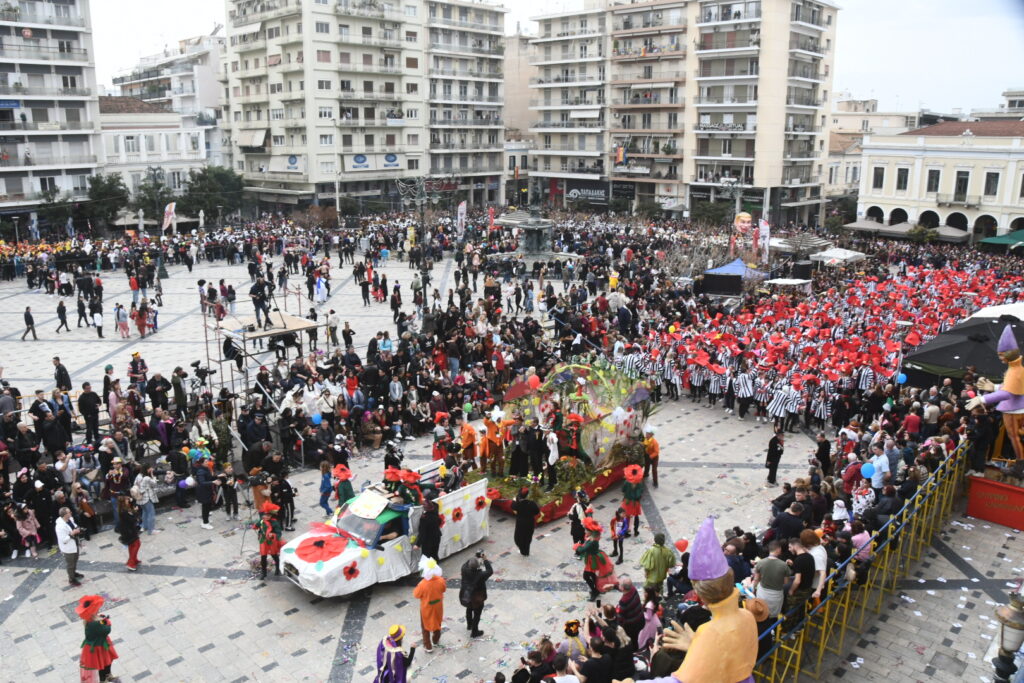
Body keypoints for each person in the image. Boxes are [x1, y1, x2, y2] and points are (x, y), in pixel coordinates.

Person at [77, 595, 119, 683]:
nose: (98, 609)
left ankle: (107, 676)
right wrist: (107, 621)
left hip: (99, 644)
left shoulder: (90, 620)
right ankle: (103, 680)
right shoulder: (95, 623)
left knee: (107, 662)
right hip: (99, 647)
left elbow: (100, 624)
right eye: (96, 608)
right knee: (104, 664)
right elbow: (107, 629)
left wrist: (102, 619)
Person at [412, 557, 446, 652]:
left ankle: (428, 646)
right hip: (438, 606)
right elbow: (443, 589)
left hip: (426, 607)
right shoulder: (440, 580)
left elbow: (416, 594)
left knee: (425, 626)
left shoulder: (422, 584)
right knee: (437, 622)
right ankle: (435, 640)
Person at [750, 540, 790, 618]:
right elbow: (786, 582)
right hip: (776, 595)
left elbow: (756, 579)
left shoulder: (760, 563)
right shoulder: (784, 565)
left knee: (762, 613)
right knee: (773, 616)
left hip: (762, 593)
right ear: (778, 549)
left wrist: (754, 589)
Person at [459, 551, 493, 638]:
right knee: (477, 614)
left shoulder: (464, 570)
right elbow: (490, 571)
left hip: (466, 595)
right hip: (477, 598)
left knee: (469, 609)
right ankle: (474, 631)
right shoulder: (481, 575)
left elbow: (466, 563)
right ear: (478, 566)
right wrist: (485, 559)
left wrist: (474, 557)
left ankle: (469, 625)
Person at [55, 506, 84, 586]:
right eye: (69, 512)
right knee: (70, 564)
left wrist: (77, 529)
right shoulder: (60, 526)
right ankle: (71, 579)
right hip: (68, 548)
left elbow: (74, 526)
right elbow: (64, 540)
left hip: (74, 544)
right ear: (65, 515)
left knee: (75, 560)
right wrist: (72, 533)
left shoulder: (70, 519)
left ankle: (74, 573)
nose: (71, 513)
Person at [255, 501, 284, 579]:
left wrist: (273, 535)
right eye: (265, 515)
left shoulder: (275, 523)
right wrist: (254, 526)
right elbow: (257, 525)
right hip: (263, 541)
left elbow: (279, 533)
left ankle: (278, 568)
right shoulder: (261, 521)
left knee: (274, 555)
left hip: (272, 542)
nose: (267, 517)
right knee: (263, 557)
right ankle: (263, 573)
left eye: (269, 515)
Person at [511, 486, 540, 556]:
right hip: (529, 522)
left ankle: (522, 549)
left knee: (519, 537)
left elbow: (512, 506)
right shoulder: (531, 503)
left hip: (520, 523)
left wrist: (514, 500)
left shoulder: (517, 503)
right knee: (527, 537)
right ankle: (526, 551)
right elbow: (537, 511)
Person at [116, 495, 141, 571]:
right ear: (123, 502)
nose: (128, 500)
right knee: (137, 544)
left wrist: (132, 503)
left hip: (129, 530)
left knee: (132, 545)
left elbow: (132, 502)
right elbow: (132, 520)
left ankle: (134, 559)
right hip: (128, 531)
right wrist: (136, 512)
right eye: (126, 500)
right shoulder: (124, 512)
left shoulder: (125, 508)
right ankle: (131, 563)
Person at [620, 464, 644, 537]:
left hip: (627, 501)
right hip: (635, 503)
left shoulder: (627, 482)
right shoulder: (639, 483)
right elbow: (639, 494)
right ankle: (636, 531)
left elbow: (622, 490)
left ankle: (625, 532)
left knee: (626, 517)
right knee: (636, 516)